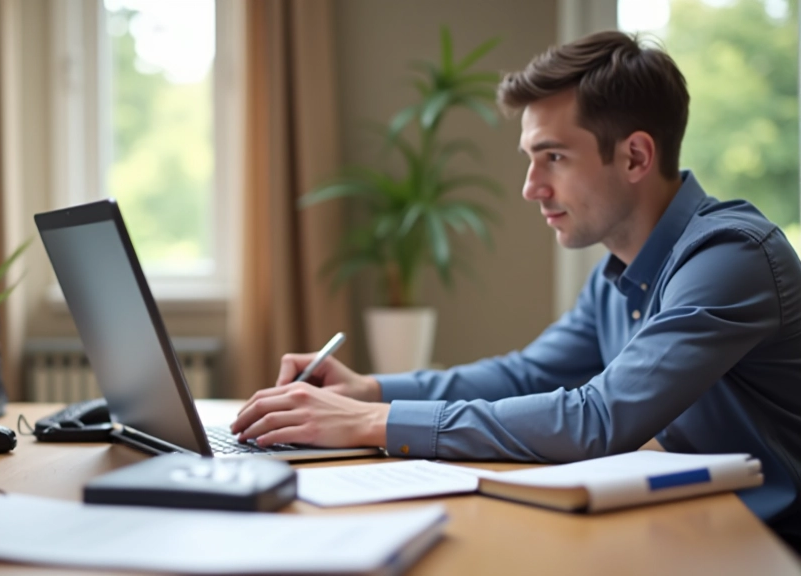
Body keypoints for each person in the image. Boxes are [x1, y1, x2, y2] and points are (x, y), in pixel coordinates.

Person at [230, 30, 801, 550]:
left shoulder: (731, 256)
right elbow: (527, 375)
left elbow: (598, 419)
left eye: (553, 157)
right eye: (531, 159)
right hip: (700, 529)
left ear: (635, 156)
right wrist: (369, 389)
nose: (531, 187)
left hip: (770, 547)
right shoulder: (617, 276)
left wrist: (369, 422)